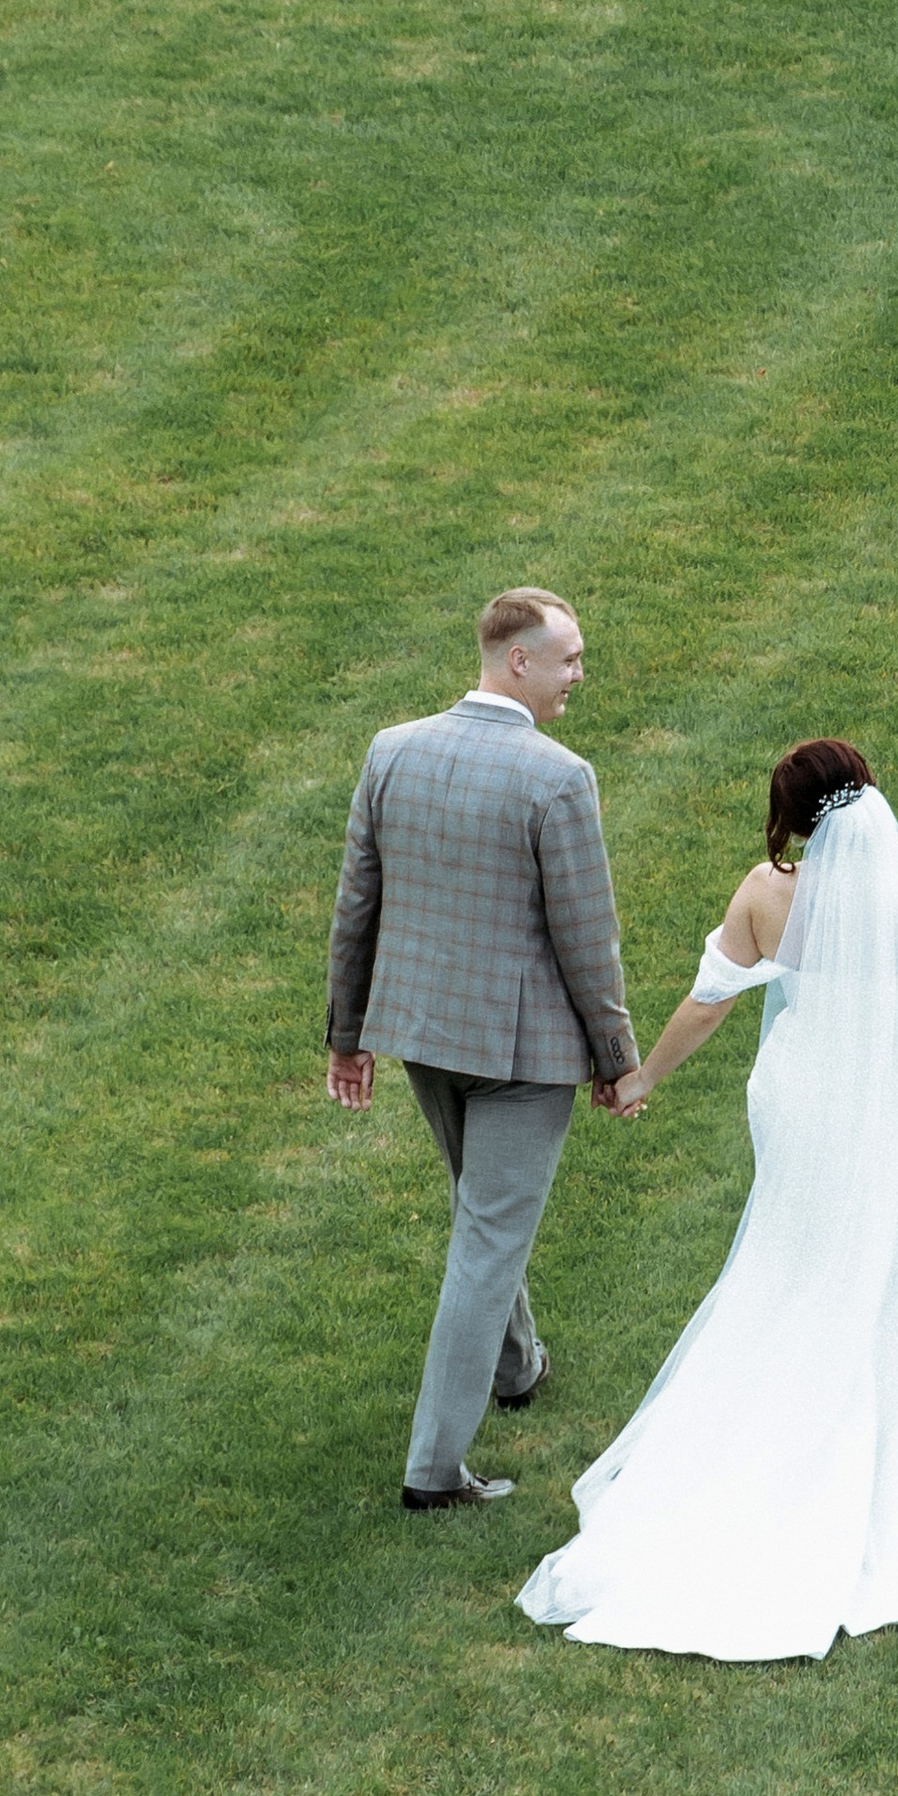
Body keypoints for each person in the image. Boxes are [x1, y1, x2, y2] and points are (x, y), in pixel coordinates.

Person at [517, 740, 898, 1659]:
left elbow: (710, 1003)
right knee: (853, 1255)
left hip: (793, 1102)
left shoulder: (764, 893)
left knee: (792, 1259)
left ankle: (771, 1421)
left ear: (797, 819)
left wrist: (640, 1079)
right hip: (868, 1106)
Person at [327, 589, 639, 1510]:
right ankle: (432, 1473)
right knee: (488, 1240)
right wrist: (616, 1057)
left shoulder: (394, 749)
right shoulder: (559, 778)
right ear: (519, 661)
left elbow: (356, 905)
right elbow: (588, 938)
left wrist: (348, 1037)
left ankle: (517, 1367)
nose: (580, 674)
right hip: (522, 1057)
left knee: (483, 1217)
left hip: (423, 1036)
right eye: (570, 659)